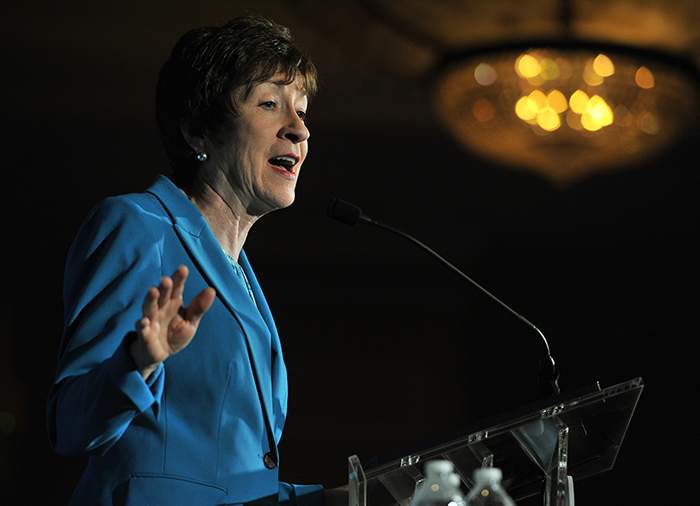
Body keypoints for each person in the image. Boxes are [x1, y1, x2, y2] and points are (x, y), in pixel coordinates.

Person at [47, 15, 335, 506]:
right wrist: (136, 362)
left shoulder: (241, 275)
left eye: (302, 110)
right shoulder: (137, 224)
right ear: (198, 131)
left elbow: (228, 472)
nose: (299, 128)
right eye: (270, 103)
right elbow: (69, 424)